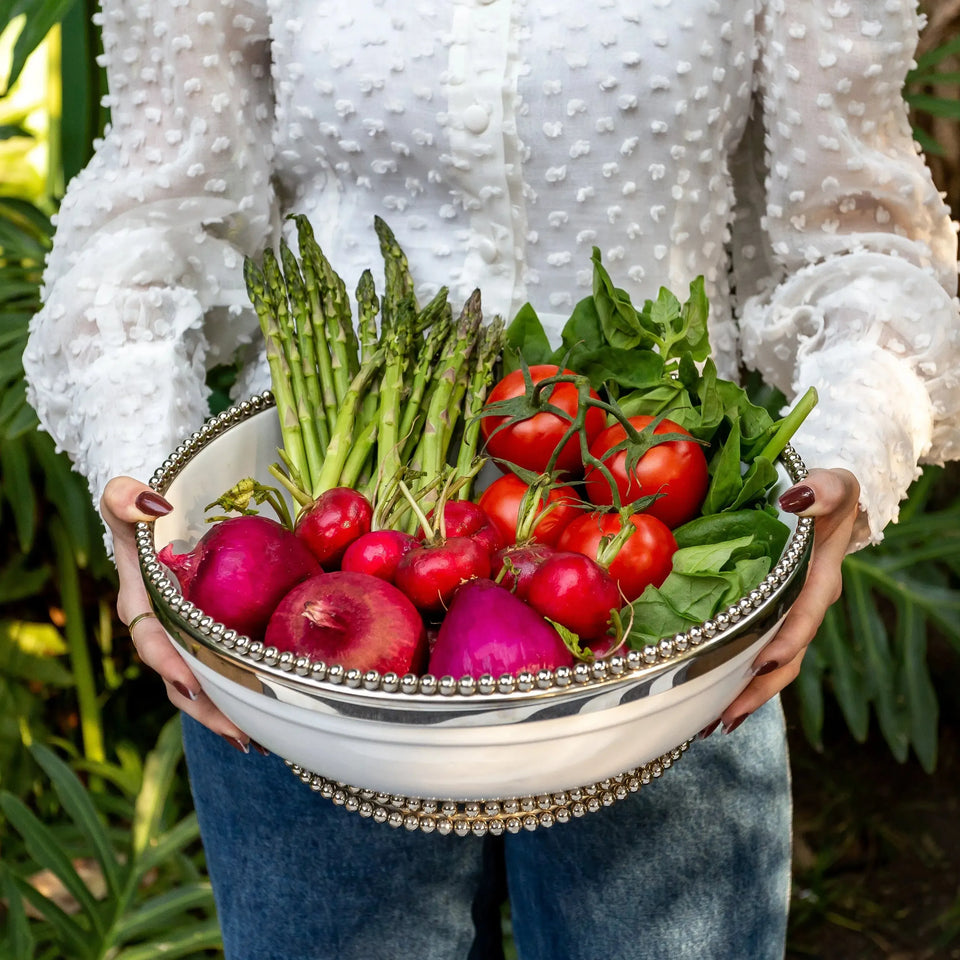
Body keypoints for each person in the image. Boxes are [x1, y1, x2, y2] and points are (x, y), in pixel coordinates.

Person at [23, 1, 959, 957]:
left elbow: (861, 241)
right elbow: (150, 217)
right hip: (303, 606)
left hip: (656, 612)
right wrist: (146, 497)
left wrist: (849, 443)